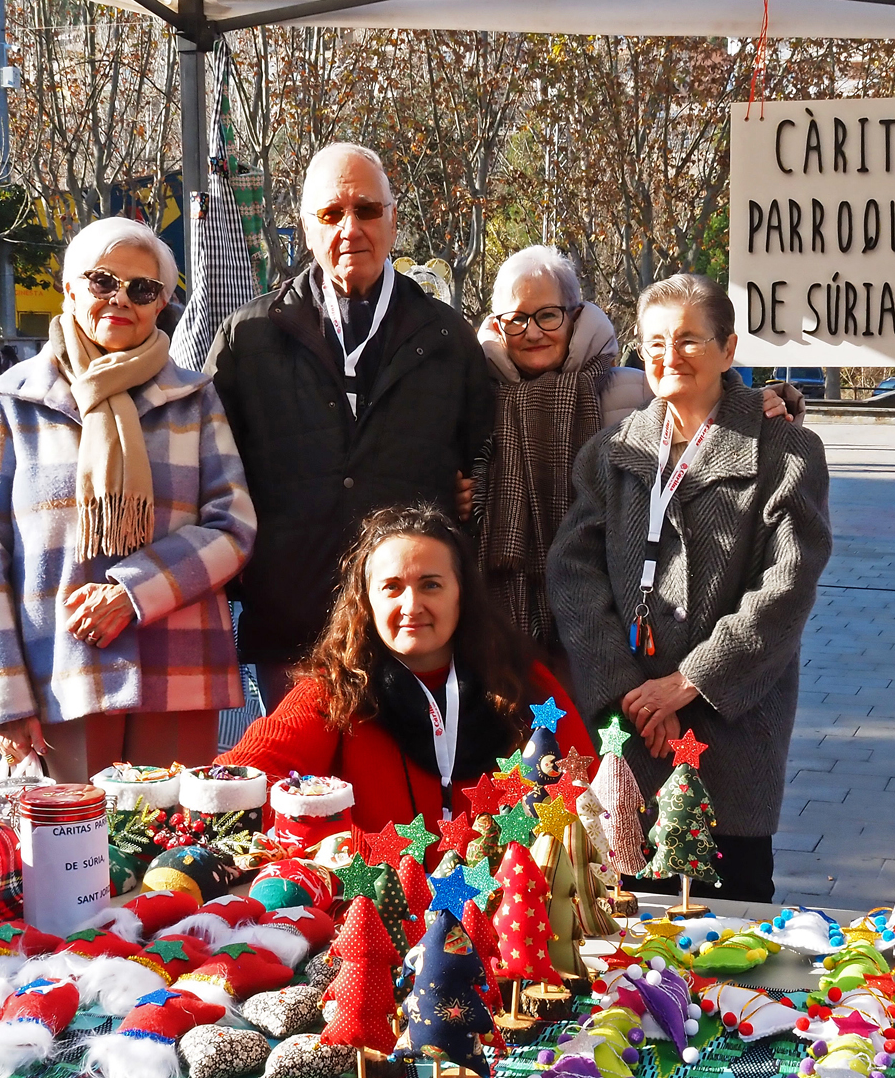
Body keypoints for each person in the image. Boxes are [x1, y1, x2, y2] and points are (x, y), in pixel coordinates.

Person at [547, 273, 832, 902]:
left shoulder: (786, 453)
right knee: (628, 929)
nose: (668, 356)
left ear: (728, 350)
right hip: (631, 735)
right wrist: (634, 697)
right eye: (654, 343)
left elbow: (786, 587)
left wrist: (688, 684)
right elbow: (573, 576)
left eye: (687, 340)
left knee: (732, 929)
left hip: (731, 732)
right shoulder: (610, 454)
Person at [0, 217, 256, 782]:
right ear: (70, 288)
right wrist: (4, 698)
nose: (120, 299)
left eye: (141, 289)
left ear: (161, 304)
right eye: (102, 281)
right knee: (74, 835)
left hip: (178, 671)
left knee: (175, 834)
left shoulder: (193, 397)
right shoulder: (15, 400)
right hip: (62, 670)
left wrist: (131, 592)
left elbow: (234, 526)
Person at [208, 143, 495, 711]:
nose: (350, 228)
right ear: (306, 226)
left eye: (366, 209)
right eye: (331, 213)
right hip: (293, 630)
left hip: (412, 629)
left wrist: (475, 498)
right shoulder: (248, 339)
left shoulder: (448, 338)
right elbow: (215, 477)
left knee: (403, 772)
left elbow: (486, 463)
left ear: (392, 219)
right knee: (296, 770)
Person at [473, 245, 804, 671]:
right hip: (510, 610)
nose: (532, 332)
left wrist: (762, 404)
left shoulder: (640, 388)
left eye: (548, 315)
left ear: (575, 315)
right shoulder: (478, 399)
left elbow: (708, 406)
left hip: (627, 613)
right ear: (498, 326)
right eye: (517, 319)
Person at [219, 504, 593, 831]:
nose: (412, 606)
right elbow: (237, 784)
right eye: (392, 587)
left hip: (508, 889)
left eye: (431, 585)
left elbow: (587, 799)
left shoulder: (523, 682)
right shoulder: (334, 688)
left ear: (462, 594)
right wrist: (350, 849)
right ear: (366, 601)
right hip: (376, 889)